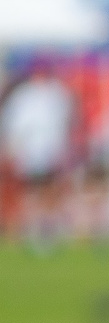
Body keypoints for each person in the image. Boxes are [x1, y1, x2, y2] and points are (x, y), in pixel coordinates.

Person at [2, 62, 78, 252]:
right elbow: (13, 126)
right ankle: (33, 227)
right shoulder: (24, 97)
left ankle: (48, 227)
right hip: (30, 152)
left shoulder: (57, 94)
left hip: (50, 150)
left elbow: (67, 123)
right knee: (32, 191)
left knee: (49, 191)